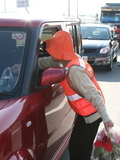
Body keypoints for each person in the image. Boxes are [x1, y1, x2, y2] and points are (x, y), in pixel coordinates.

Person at [40, 31, 114, 160]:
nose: (51, 53)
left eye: (54, 50)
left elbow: (94, 95)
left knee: (80, 151)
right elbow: (47, 62)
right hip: (85, 114)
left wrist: (107, 120)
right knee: (77, 147)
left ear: (60, 52)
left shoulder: (74, 70)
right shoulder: (70, 59)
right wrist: (20, 66)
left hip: (91, 115)